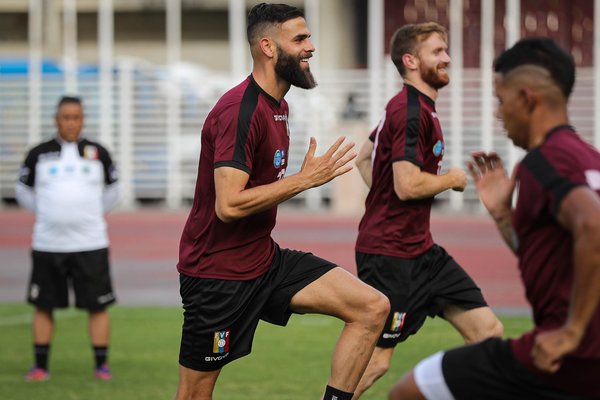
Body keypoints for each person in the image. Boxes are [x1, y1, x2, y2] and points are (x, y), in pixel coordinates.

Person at [175, 3, 390, 400]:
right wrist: (304, 181)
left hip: (263, 261)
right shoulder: (239, 111)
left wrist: (301, 182)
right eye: (300, 39)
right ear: (268, 47)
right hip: (218, 276)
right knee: (193, 395)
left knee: (372, 307)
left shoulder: (280, 106)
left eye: (309, 37)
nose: (311, 47)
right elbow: (229, 204)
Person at [388, 37, 600, 400]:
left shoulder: (543, 162)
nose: (498, 114)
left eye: (501, 102)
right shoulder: (589, 158)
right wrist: (504, 216)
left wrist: (573, 331)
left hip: (569, 354)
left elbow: (592, 227)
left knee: (409, 391)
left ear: (527, 98)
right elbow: (553, 260)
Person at [352, 22, 503, 398]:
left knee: (488, 334)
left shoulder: (407, 106)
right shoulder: (411, 112)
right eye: (437, 51)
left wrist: (384, 197)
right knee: (377, 362)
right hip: (391, 256)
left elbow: (364, 158)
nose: (447, 58)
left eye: (445, 50)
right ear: (411, 60)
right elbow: (407, 185)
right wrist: (451, 179)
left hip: (422, 251)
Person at [15, 96, 119, 382]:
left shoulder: (98, 152)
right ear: (56, 119)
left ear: (83, 119)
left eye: (76, 117)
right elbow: (24, 192)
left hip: (91, 243)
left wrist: (86, 214)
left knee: (97, 306)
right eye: (66, 117)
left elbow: (113, 191)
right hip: (48, 244)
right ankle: (40, 367)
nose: (71, 122)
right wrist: (51, 213)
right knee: (43, 305)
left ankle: (101, 367)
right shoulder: (39, 153)